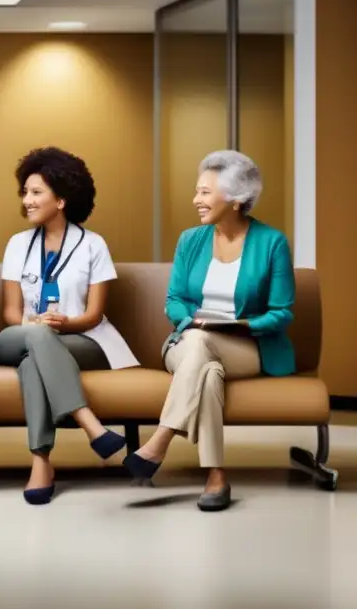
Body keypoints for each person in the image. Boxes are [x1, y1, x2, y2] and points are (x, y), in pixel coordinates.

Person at [123, 151, 295, 512]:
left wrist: (241, 325)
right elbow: (175, 300)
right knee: (206, 365)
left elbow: (281, 313)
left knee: (208, 356)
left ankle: (161, 439)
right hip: (186, 342)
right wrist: (193, 323)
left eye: (204, 193)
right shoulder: (191, 240)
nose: (195, 201)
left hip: (246, 347)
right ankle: (215, 477)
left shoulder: (272, 243)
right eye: (196, 192)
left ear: (234, 199)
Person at [0, 148, 137, 505]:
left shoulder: (93, 246)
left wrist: (66, 322)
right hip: (20, 335)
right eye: (24, 192)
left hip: (80, 339)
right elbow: (10, 314)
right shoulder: (17, 245)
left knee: (32, 363)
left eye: (36, 192)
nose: (27, 200)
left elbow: (94, 316)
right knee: (36, 338)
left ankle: (40, 462)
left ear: (61, 199)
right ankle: (89, 423)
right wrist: (35, 324)